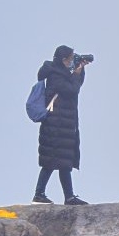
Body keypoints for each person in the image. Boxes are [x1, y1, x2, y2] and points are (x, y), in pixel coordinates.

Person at [32, 44, 89, 205]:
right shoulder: (56, 75)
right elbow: (72, 90)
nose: (72, 62)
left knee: (64, 162)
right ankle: (40, 193)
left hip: (63, 124)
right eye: (71, 59)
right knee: (51, 161)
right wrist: (77, 74)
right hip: (55, 125)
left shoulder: (60, 73)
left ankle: (68, 197)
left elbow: (74, 87)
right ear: (63, 60)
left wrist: (80, 71)